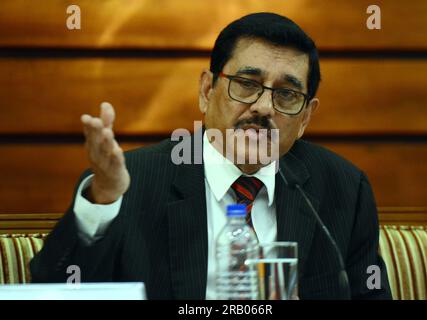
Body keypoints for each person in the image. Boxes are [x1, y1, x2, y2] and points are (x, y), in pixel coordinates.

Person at [30, 12, 392, 299]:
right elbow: (52, 291)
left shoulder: (344, 189)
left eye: (286, 94)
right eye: (247, 84)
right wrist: (102, 203)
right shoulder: (130, 183)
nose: (264, 107)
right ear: (207, 90)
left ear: (306, 117)